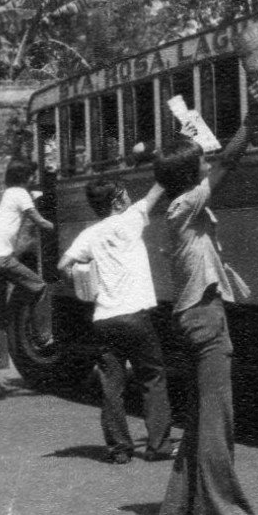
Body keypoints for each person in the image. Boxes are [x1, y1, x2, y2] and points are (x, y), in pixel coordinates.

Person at [153, 78, 258, 515]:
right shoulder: (188, 202)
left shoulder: (175, 204)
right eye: (198, 164)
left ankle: (181, 504)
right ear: (190, 176)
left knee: (202, 412)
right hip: (204, 317)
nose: (206, 163)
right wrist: (252, 117)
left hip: (192, 317)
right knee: (217, 417)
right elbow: (228, 160)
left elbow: (212, 159)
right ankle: (223, 513)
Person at [57, 177, 175, 464]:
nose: (128, 197)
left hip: (104, 319)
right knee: (152, 377)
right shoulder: (131, 219)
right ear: (117, 200)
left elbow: (63, 266)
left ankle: (120, 449)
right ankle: (158, 446)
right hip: (136, 316)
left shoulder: (90, 234)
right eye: (124, 194)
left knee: (112, 385)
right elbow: (159, 188)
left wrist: (82, 280)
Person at [0, 158, 54, 392]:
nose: (33, 179)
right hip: (1, 258)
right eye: (31, 175)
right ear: (25, 177)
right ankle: (43, 337)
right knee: (39, 286)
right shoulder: (21, 193)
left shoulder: (9, 193)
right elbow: (40, 222)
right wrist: (57, 226)